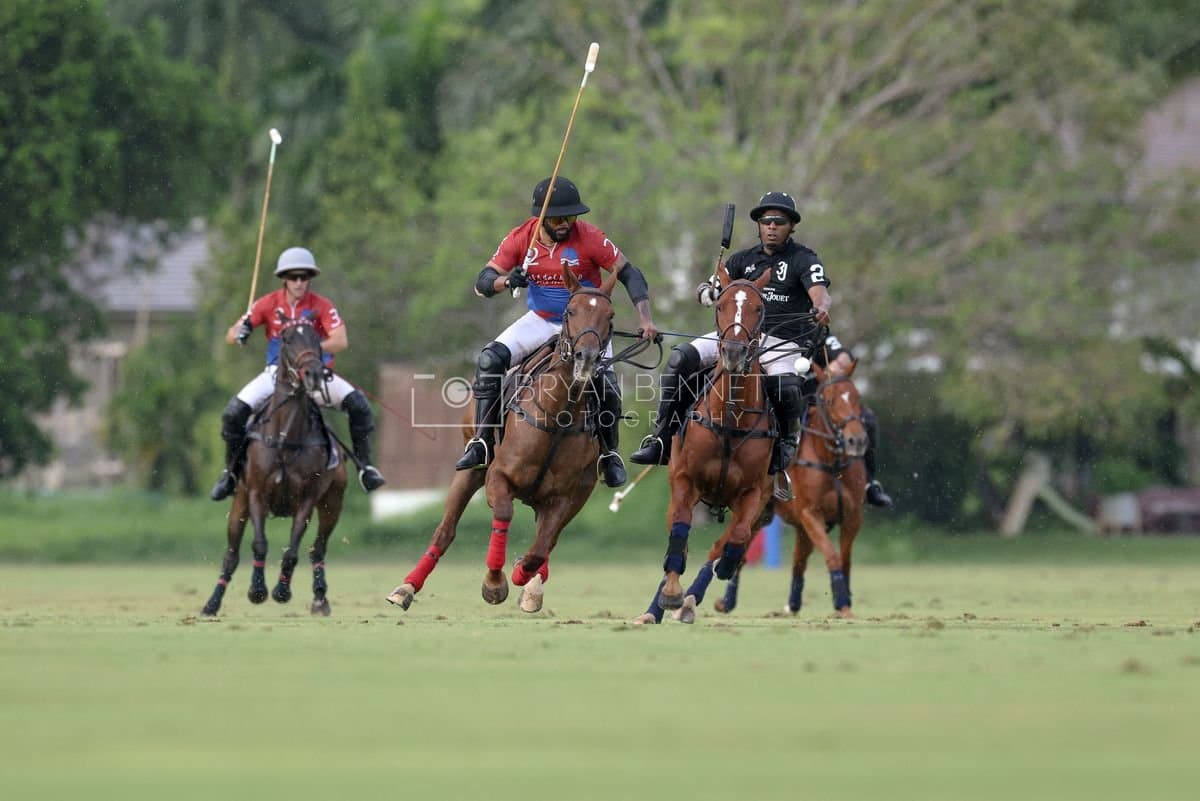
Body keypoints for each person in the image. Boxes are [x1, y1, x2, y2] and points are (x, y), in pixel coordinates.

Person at [455, 176, 659, 488]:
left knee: (605, 384)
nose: (566, 223)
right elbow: (482, 283)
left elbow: (630, 273)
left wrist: (645, 318)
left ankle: (609, 454)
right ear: (542, 218)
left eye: (571, 216)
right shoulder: (522, 238)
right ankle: (481, 443)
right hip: (542, 320)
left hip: (586, 326)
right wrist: (507, 281)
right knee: (488, 360)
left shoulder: (589, 237)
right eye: (558, 218)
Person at [630, 191, 830, 482]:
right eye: (766, 221)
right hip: (735, 336)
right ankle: (661, 437)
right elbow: (708, 287)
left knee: (787, 387)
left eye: (780, 221)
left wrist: (821, 307)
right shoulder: (742, 259)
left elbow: (819, 293)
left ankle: (785, 445)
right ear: (759, 225)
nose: (772, 226)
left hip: (780, 342)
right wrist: (706, 291)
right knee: (679, 359)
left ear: (791, 226)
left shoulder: (804, 259)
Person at [209, 246, 385, 501]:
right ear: (284, 278)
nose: (300, 282)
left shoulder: (322, 305)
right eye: (294, 277)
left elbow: (341, 340)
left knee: (360, 406)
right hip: (276, 376)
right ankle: (231, 473)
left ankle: (365, 468)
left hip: (315, 375)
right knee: (233, 413)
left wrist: (310, 350)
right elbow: (231, 334)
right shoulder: (268, 303)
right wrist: (241, 332)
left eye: (305, 276)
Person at [817, 333, 894, 509]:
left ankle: (869, 483)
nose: (824, 304)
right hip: (795, 392)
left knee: (867, 419)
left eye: (825, 303)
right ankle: (773, 481)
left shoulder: (820, 330)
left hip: (830, 396)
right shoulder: (780, 321)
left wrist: (841, 360)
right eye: (821, 302)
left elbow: (840, 352)